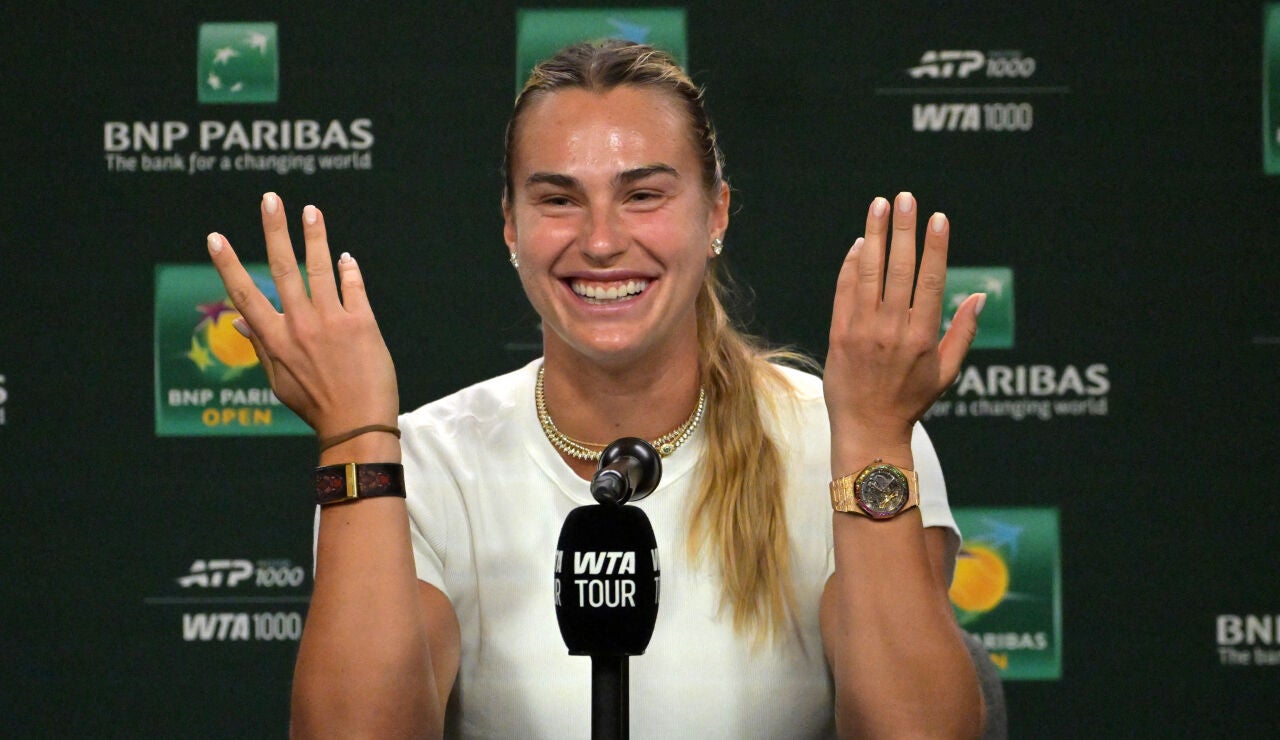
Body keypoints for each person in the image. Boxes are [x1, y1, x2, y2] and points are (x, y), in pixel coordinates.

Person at [207, 41, 987, 738]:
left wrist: (881, 436)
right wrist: (354, 438)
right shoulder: (419, 463)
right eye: (557, 199)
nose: (603, 240)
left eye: (644, 194)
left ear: (715, 212)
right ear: (510, 227)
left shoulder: (842, 439)